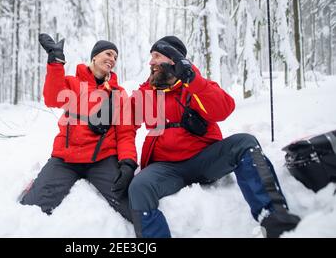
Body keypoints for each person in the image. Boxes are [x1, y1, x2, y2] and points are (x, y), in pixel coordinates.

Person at [128, 36, 301, 238]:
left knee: (245, 142)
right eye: (151, 57)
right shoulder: (147, 92)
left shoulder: (196, 84)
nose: (151, 62)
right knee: (139, 186)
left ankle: (274, 218)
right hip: (166, 169)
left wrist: (192, 80)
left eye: (156, 56)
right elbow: (124, 119)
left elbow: (224, 109)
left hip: (205, 160)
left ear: (172, 59)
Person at [19, 34, 137, 222]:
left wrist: (128, 162)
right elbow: (52, 97)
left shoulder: (118, 94)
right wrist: (56, 63)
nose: (112, 59)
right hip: (66, 158)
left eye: (115, 57)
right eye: (108, 53)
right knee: (32, 208)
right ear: (95, 57)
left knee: (134, 207)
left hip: (103, 160)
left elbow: (125, 134)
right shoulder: (73, 83)